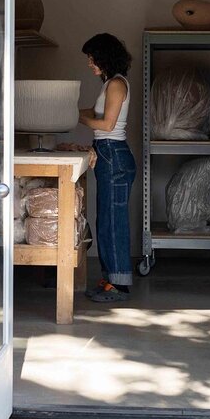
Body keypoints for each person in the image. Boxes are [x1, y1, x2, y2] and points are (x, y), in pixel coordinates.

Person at [79, 33, 135, 303]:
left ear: (106, 57)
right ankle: (110, 279)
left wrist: (82, 120)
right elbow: (92, 112)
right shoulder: (108, 85)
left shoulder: (116, 84)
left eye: (93, 58)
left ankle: (119, 285)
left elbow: (107, 125)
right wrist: (72, 111)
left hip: (114, 154)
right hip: (108, 153)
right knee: (105, 220)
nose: (90, 63)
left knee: (112, 222)